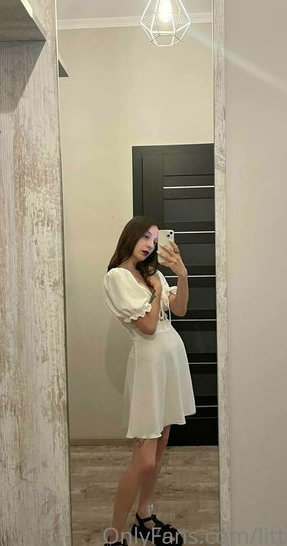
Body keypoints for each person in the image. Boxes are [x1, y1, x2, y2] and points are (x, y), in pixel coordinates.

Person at [102, 216, 196, 546]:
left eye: (154, 240)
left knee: (160, 449)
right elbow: (148, 327)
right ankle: (114, 535)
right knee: (143, 460)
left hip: (169, 365)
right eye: (144, 236)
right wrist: (156, 289)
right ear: (130, 236)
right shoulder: (117, 277)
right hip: (148, 369)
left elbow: (179, 310)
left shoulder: (152, 274)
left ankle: (144, 515)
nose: (149, 244)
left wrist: (181, 274)